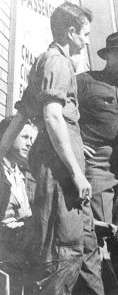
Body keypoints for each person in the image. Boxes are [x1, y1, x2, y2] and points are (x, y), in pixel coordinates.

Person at [0, 2, 104, 294]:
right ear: (71, 32)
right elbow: (53, 116)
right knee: (63, 252)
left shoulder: (45, 64)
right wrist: (77, 173)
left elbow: (20, 118)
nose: (86, 41)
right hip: (61, 174)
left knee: (83, 250)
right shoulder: (57, 63)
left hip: (62, 169)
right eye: (84, 34)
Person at [77, 30, 118, 229]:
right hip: (96, 160)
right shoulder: (86, 81)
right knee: (98, 226)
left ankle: (112, 262)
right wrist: (76, 143)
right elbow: (61, 111)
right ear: (107, 56)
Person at [0, 116, 36, 295]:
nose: (30, 144)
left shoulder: (23, 174)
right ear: (9, 135)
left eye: (31, 139)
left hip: (21, 248)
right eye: (25, 137)